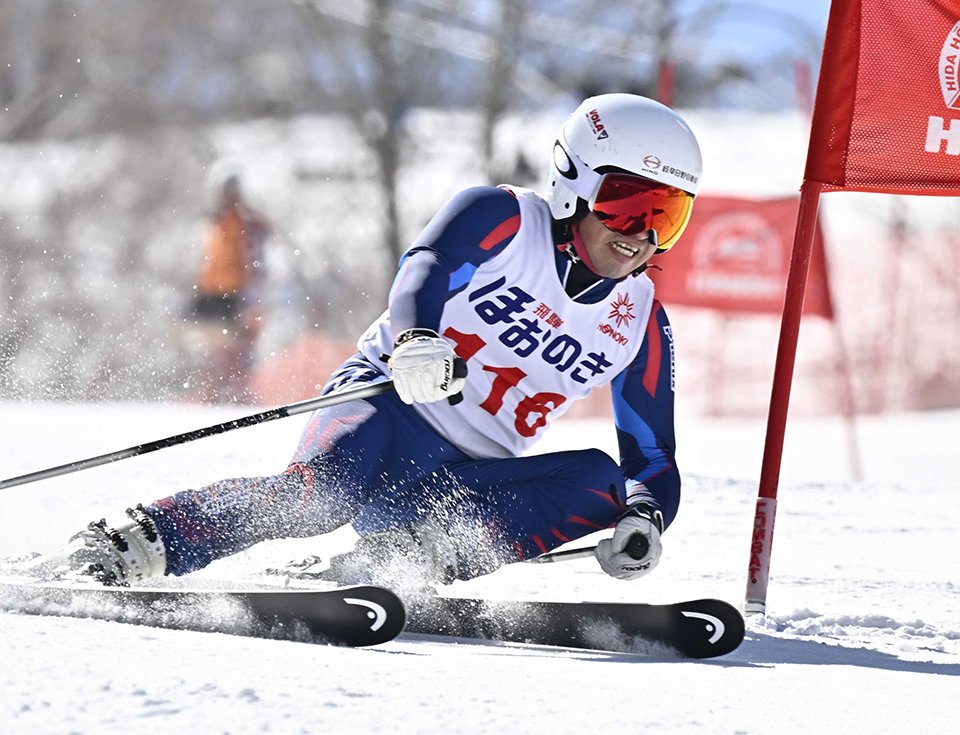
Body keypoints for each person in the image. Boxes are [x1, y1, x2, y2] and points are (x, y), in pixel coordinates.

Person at [60, 93, 702, 591]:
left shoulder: (639, 322)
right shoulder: (503, 217)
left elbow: (652, 459)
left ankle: (396, 563)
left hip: (461, 485)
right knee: (318, 497)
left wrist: (643, 519)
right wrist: (418, 339)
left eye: (667, 215)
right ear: (574, 181)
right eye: (625, 204)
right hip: (386, 410)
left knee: (600, 481)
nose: (642, 233)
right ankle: (137, 542)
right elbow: (427, 266)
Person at [188, 173, 271, 402]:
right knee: (211, 346)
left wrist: (252, 298)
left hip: (235, 294)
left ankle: (235, 392)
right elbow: (209, 260)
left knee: (235, 348)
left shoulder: (246, 222)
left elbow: (255, 261)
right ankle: (213, 391)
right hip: (212, 292)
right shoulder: (215, 222)